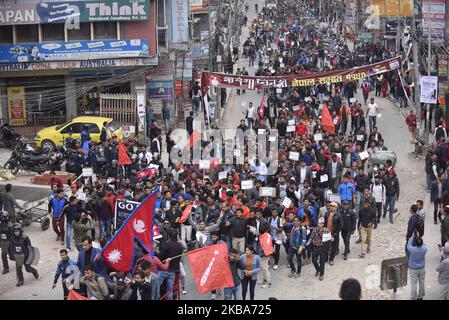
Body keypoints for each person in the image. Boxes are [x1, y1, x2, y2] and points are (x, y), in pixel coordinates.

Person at [158, 229, 183, 300]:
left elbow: (161, 256)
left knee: (157, 288)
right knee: (169, 290)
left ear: (169, 236)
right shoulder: (180, 246)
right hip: (173, 271)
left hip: (164, 270)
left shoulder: (166, 245)